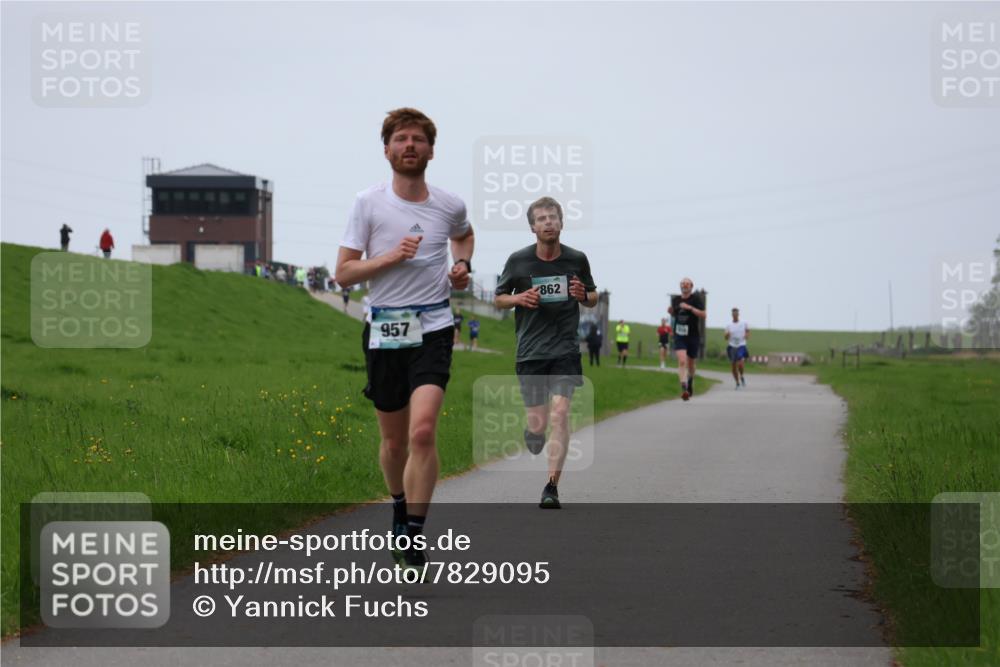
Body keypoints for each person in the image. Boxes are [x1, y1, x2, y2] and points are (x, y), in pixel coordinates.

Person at [335, 107, 474, 572]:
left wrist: (462, 267)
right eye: (400, 139)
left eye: (417, 139)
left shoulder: (449, 205)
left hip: (433, 327)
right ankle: (398, 502)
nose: (409, 145)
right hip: (384, 329)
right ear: (387, 150)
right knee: (394, 444)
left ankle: (414, 530)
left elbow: (464, 235)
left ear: (431, 150)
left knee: (423, 431)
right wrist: (392, 257)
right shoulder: (368, 204)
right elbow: (343, 274)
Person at [494, 196, 598, 509]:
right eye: (541, 219)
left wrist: (585, 296)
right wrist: (519, 299)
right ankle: (533, 431)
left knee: (561, 413)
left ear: (561, 222)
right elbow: (499, 298)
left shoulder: (577, 259)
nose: (548, 222)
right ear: (532, 227)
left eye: (553, 217)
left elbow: (592, 295)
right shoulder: (518, 261)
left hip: (565, 349)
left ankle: (551, 486)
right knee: (539, 423)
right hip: (530, 351)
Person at [668, 278, 707, 401]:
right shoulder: (676, 300)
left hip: (693, 335)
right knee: (682, 361)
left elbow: (703, 314)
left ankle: (690, 380)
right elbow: (676, 314)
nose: (684, 285)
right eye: (682, 284)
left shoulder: (696, 299)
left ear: (691, 286)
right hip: (679, 335)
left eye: (687, 284)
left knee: (691, 364)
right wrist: (671, 312)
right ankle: (684, 388)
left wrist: (690, 308)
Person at [725, 307, 750, 389]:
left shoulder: (744, 322)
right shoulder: (728, 325)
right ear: (732, 315)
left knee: (740, 364)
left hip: (741, 345)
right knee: (733, 366)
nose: (735, 315)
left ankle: (742, 376)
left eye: (736, 313)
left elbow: (747, 331)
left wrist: (746, 335)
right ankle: (737, 383)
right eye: (733, 314)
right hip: (732, 346)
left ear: (738, 314)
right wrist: (727, 335)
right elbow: (725, 337)